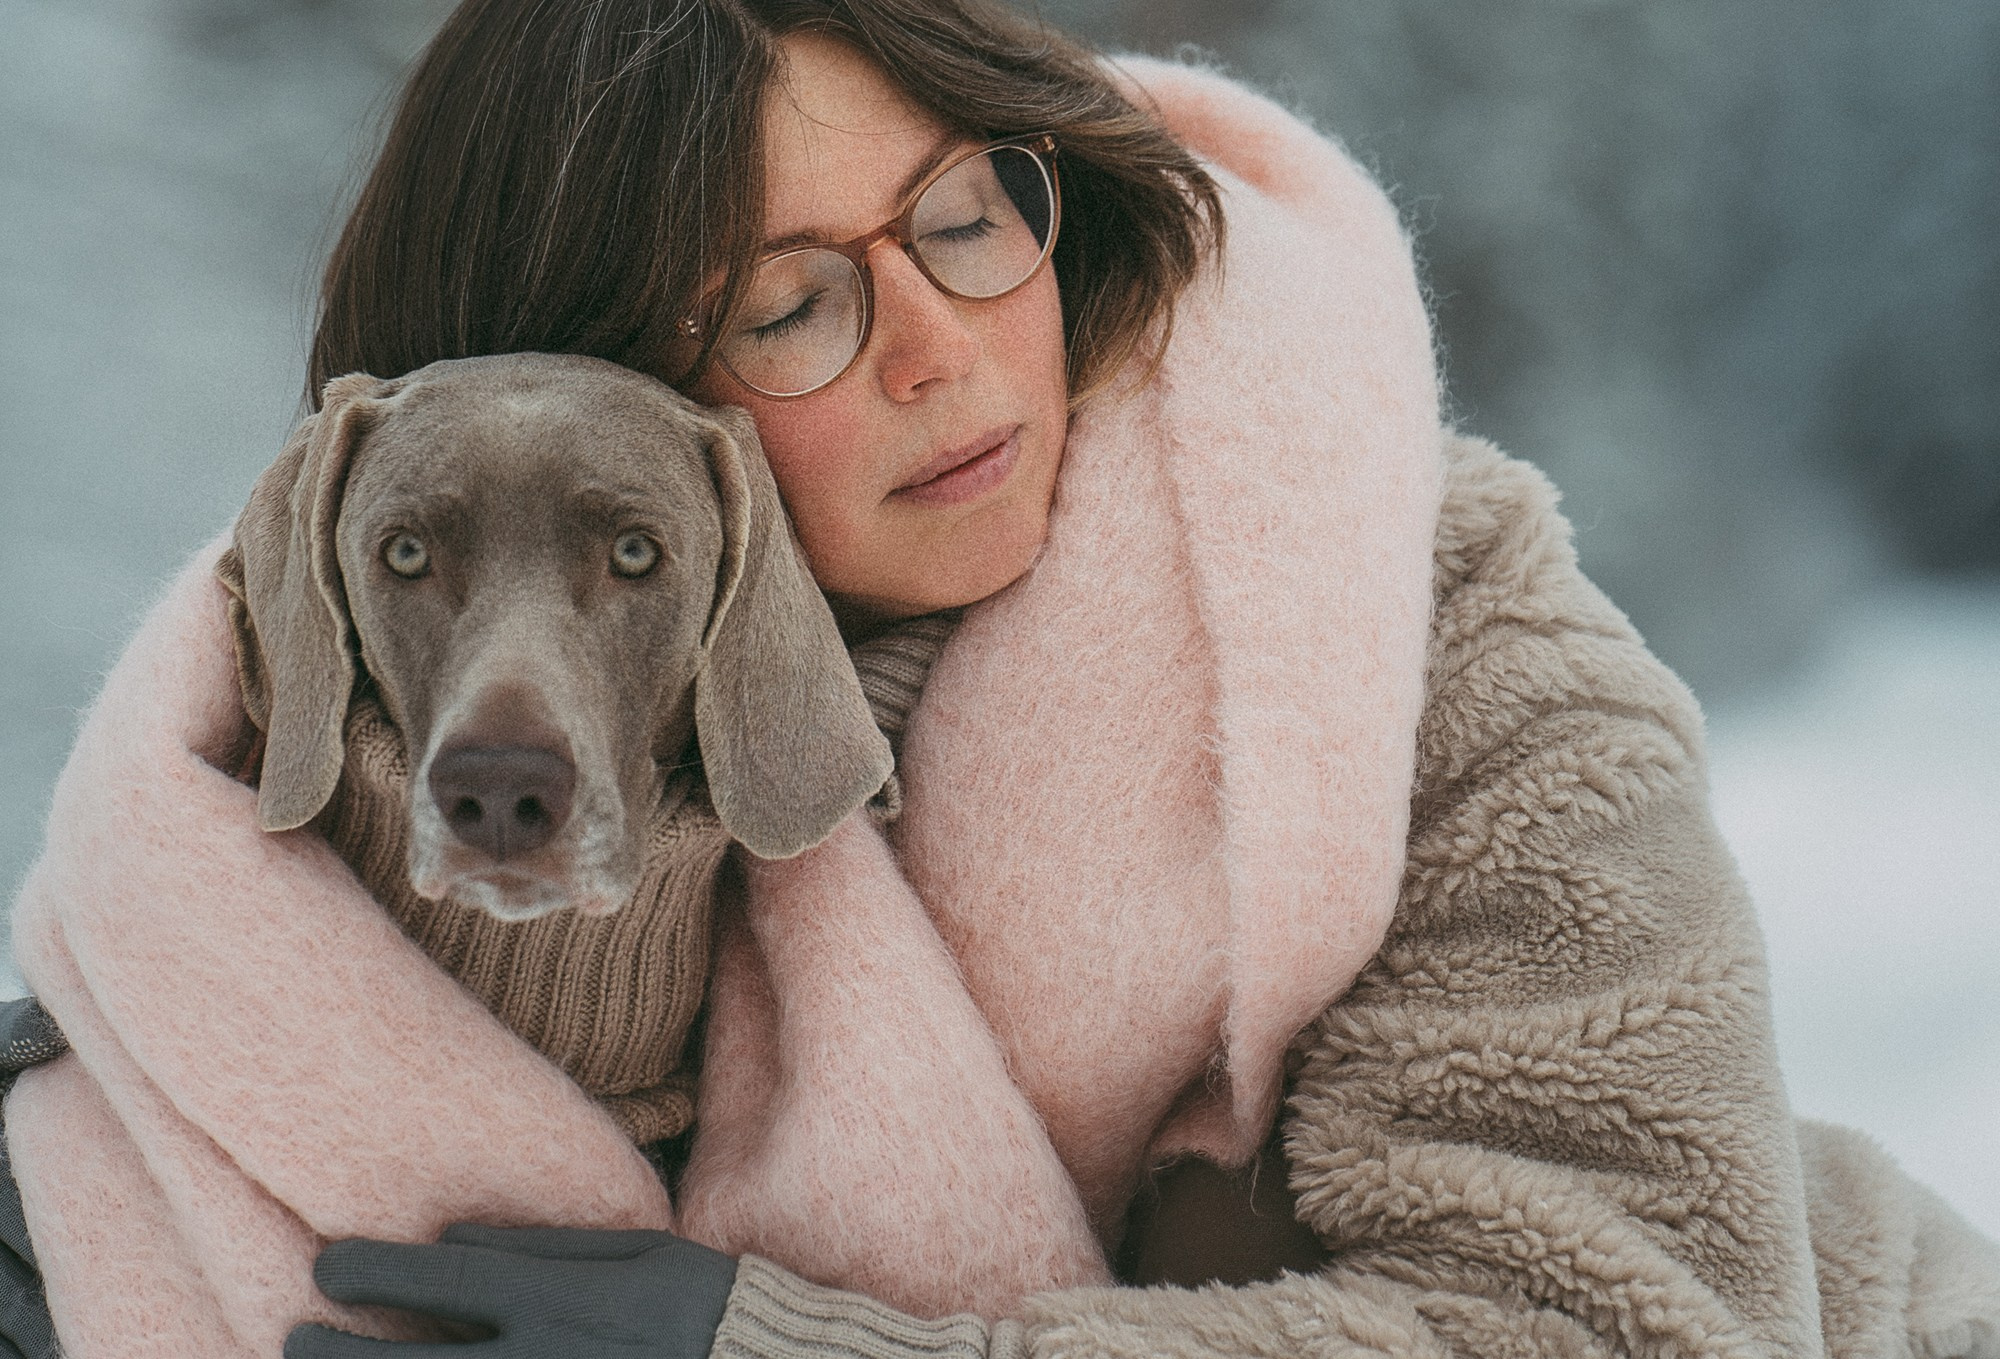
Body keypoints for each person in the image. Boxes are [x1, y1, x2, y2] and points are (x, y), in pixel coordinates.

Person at [5, 1, 1998, 1357]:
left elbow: (1613, 1322)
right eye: (789, 301)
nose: (945, 349)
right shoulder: (423, 704)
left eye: (967, 217)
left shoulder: (1416, 627)